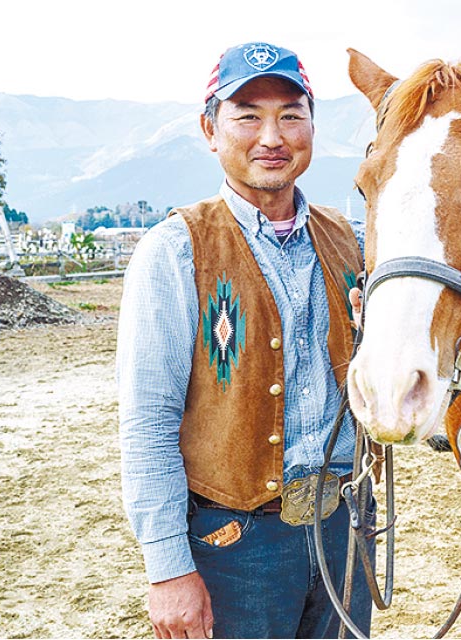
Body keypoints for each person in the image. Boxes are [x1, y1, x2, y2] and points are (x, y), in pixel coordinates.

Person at [117, 42, 372, 639]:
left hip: (344, 528)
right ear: (210, 130)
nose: (272, 136)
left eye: (291, 114)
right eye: (248, 115)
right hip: (235, 545)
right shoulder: (176, 251)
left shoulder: (351, 241)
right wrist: (168, 569)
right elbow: (149, 419)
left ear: (312, 127)